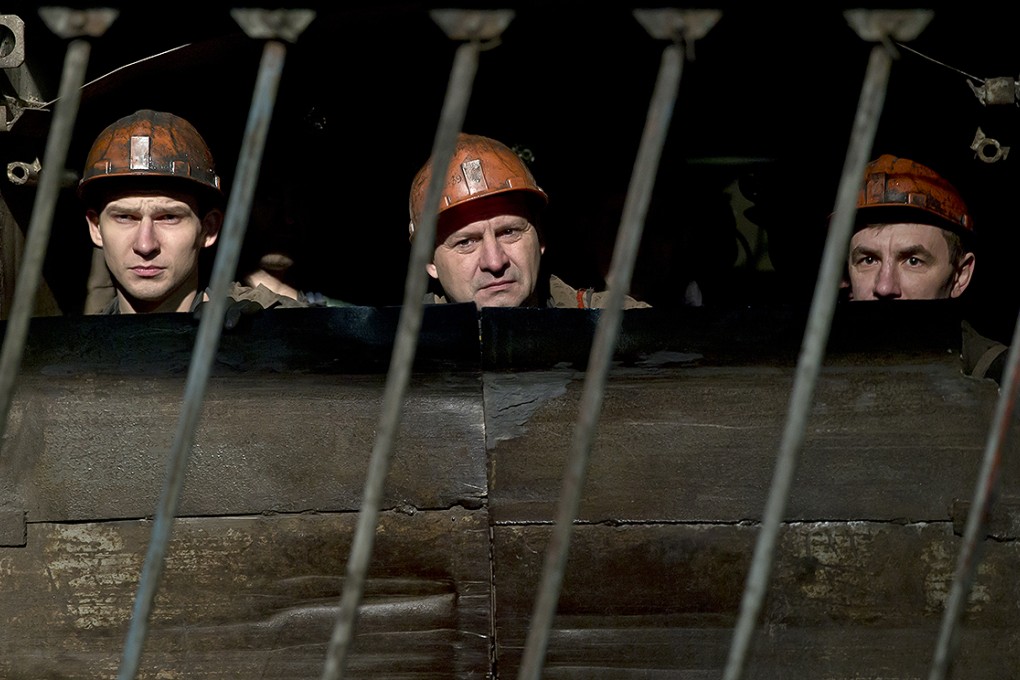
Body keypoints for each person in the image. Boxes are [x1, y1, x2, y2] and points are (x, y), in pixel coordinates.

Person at [78, 109, 306, 319]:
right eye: (125, 217)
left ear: (209, 228)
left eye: (169, 217)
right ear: (96, 228)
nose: (145, 245)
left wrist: (270, 336)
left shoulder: (274, 322)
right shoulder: (75, 348)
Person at [407, 132, 650, 309]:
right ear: (430, 262)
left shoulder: (621, 326)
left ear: (540, 237)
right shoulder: (395, 356)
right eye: (466, 242)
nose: (494, 262)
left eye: (509, 231)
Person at [844, 153, 1006, 382]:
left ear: (960, 275)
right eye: (868, 260)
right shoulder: (797, 371)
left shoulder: (1003, 382)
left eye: (913, 261)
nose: (884, 286)